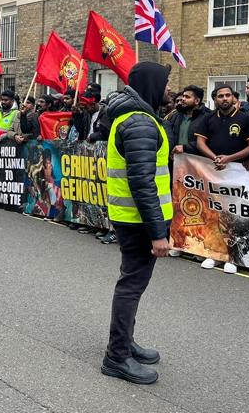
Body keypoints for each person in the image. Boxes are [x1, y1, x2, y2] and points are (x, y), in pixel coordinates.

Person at [101, 62, 172, 385]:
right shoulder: (140, 122)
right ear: (153, 85)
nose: (169, 89)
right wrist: (157, 233)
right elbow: (143, 182)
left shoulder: (135, 117)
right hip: (138, 221)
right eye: (166, 83)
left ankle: (125, 342)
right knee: (131, 287)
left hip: (132, 217)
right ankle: (117, 356)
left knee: (131, 284)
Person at [195, 84, 249, 273]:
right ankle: (215, 254)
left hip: (238, 173)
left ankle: (233, 257)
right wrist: (215, 158)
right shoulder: (208, 118)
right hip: (214, 171)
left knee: (234, 215)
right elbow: (200, 143)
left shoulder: (245, 118)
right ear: (215, 99)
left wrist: (229, 159)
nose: (224, 98)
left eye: (228, 95)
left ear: (233, 97)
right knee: (215, 214)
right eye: (220, 96)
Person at [165, 85, 209, 156]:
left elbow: (208, 141)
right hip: (175, 157)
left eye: (187, 97)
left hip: (197, 159)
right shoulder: (175, 115)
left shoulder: (207, 116)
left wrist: (185, 148)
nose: (183, 99)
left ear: (197, 101)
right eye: (183, 96)